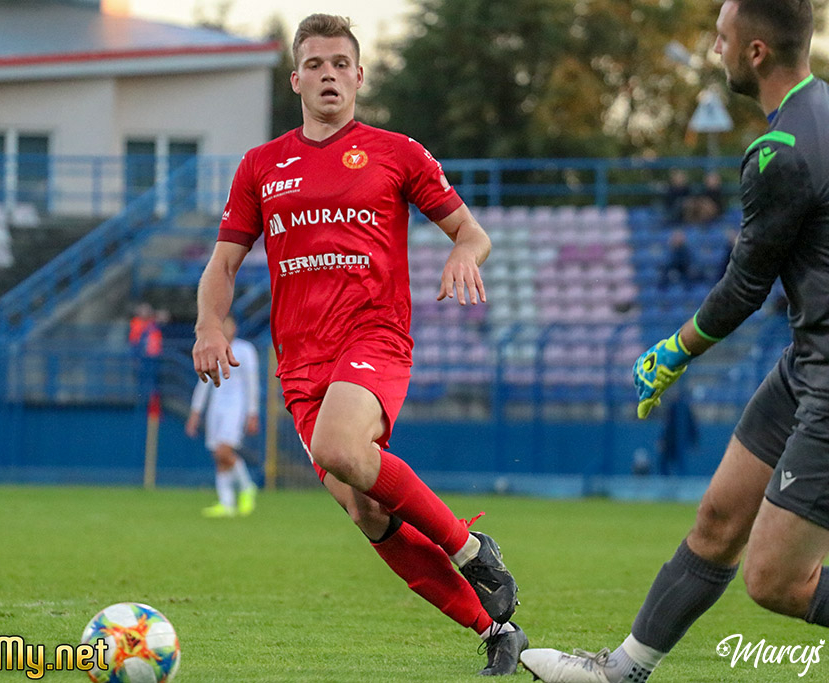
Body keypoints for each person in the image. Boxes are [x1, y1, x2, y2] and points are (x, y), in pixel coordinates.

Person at [192, 13, 524, 675]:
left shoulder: (397, 152)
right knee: (366, 509)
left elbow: (472, 232)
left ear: (359, 76)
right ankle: (495, 629)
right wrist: (207, 324)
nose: (329, 75)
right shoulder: (260, 167)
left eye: (340, 64)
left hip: (374, 337)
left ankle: (470, 548)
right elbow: (223, 264)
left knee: (340, 447)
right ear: (295, 80)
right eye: (314, 64)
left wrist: (465, 253)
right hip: (300, 362)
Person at [521, 2, 829, 681]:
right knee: (719, 517)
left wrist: (674, 351)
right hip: (805, 363)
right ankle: (621, 670)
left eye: (721, 37)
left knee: (776, 579)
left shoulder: (778, 151)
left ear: (754, 52)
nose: (714, 49)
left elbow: (743, 287)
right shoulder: (824, 115)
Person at [186, 316, 260, 518]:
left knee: (224, 451)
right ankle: (226, 502)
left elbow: (252, 383)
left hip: (236, 407)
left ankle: (247, 487)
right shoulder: (212, 349)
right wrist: (195, 412)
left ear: (234, 327)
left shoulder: (245, 350)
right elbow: (203, 383)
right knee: (218, 456)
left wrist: (252, 413)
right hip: (216, 407)